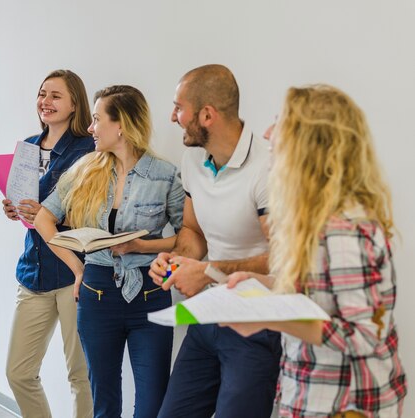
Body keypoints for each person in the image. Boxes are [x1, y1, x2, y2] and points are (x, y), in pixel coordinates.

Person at [224, 85, 408, 418]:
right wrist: (262, 283)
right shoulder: (316, 221)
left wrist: (269, 314)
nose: (267, 132)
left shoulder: (341, 230)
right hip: (312, 395)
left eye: (280, 122)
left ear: (308, 144)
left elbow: (365, 337)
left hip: (344, 405)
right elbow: (320, 297)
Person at [35, 85, 185, 418]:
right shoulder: (85, 170)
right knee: (103, 404)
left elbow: (188, 239)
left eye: (97, 119)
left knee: (152, 403)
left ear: (121, 125)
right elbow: (44, 218)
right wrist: (77, 268)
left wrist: (142, 246)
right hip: (96, 295)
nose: (90, 127)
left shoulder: (165, 175)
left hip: (151, 294)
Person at [149, 64, 281, 418]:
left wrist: (206, 272)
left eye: (179, 108)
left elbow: (286, 257)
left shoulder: (269, 166)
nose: (172, 116)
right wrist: (175, 260)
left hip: (256, 325)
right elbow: (193, 231)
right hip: (209, 317)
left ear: (207, 115)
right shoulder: (193, 157)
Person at [2, 69, 94, 418]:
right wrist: (14, 208)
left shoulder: (88, 149)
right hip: (33, 271)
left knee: (80, 374)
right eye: (42, 94)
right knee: (18, 372)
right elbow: (29, 208)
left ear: (75, 104)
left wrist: (44, 209)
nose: (46, 101)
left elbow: (85, 208)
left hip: (74, 271)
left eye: (56, 95)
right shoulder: (27, 147)